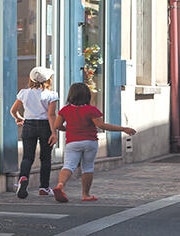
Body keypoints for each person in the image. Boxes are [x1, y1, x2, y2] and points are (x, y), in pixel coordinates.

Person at [48, 82, 136, 203]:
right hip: (90, 142)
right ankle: (85, 194)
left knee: (68, 165)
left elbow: (57, 125)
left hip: (72, 142)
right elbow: (101, 125)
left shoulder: (65, 110)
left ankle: (60, 185)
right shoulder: (91, 110)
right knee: (87, 167)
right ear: (87, 96)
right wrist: (123, 129)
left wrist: (69, 129)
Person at [8, 66, 59, 199]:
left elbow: (13, 110)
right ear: (48, 80)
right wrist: (54, 133)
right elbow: (51, 115)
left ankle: (23, 178)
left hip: (28, 125)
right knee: (45, 157)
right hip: (45, 126)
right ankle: (44, 188)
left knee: (27, 157)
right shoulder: (51, 95)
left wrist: (18, 118)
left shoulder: (24, 93)